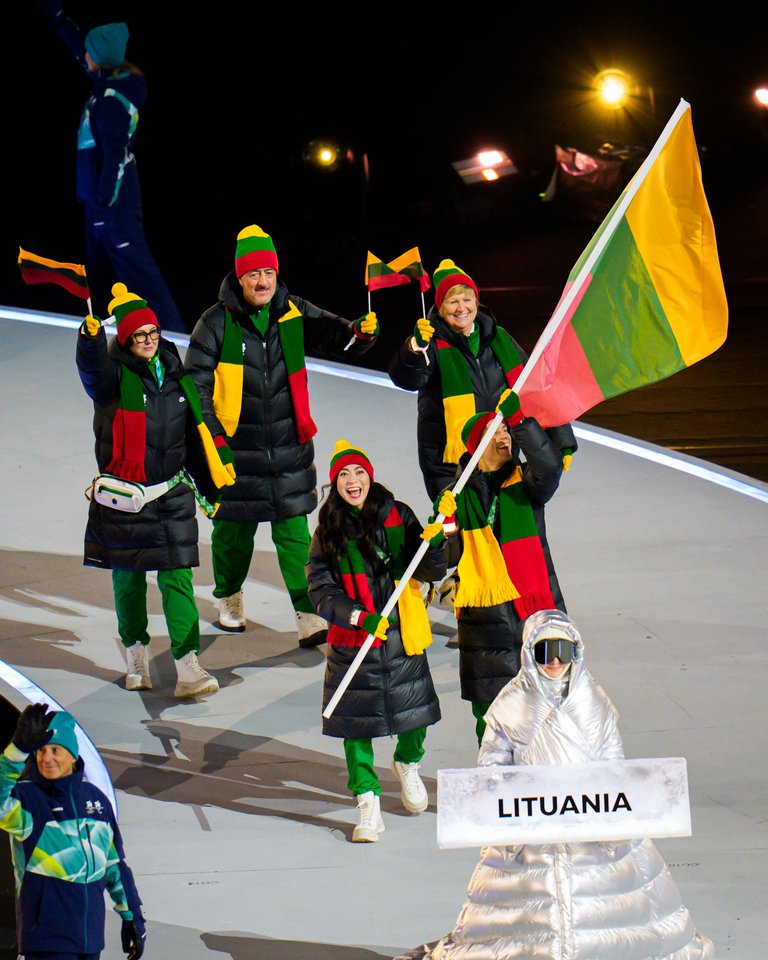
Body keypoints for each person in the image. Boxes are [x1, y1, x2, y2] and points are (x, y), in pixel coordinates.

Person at [396, 609, 715, 960]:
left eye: (564, 651)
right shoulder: (512, 703)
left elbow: (612, 760)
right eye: (545, 651)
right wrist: (509, 814)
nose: (554, 662)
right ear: (529, 653)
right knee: (527, 907)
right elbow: (492, 765)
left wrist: (611, 817)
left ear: (577, 652)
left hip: (589, 819)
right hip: (531, 824)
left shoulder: (593, 700)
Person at [185, 224, 379, 647]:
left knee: (294, 535)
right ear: (240, 277)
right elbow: (195, 384)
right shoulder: (215, 322)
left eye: (269, 273)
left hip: (289, 446)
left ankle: (307, 611)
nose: (263, 282)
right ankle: (229, 595)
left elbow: (334, 335)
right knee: (232, 535)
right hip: (236, 450)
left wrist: (359, 333)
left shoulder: (291, 310)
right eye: (254, 274)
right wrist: (213, 438)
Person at [77, 281, 236, 697]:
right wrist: (89, 341)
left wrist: (213, 482)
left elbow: (195, 433)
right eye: (138, 335)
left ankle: (187, 665)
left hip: (170, 494)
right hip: (125, 499)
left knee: (178, 579)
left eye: (152, 332)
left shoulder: (177, 375)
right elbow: (92, 371)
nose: (148, 340)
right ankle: (136, 655)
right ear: (124, 340)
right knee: (128, 583)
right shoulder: (113, 377)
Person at [306, 440, 449, 842]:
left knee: (416, 715)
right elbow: (319, 589)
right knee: (355, 728)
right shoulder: (327, 530)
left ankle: (407, 762)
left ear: (370, 477)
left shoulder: (397, 515)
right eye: (344, 475)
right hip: (353, 641)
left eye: (359, 473)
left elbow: (428, 570)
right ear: (334, 484)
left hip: (401, 633)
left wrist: (436, 542)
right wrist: (357, 617)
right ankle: (367, 799)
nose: (353, 481)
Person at [40, 3, 183, 328]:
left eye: (90, 53)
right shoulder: (107, 80)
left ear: (101, 59)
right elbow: (83, 50)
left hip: (114, 202)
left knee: (138, 270)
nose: (84, 57)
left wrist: (105, 205)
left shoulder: (110, 98)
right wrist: (61, 21)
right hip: (98, 199)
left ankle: (176, 335)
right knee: (99, 272)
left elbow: (115, 155)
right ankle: (108, 331)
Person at [388, 258, 577, 501]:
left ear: (476, 302)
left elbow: (536, 386)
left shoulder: (499, 338)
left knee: (501, 519)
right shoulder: (431, 344)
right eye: (452, 301)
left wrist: (562, 440)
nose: (461, 308)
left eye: (467, 300)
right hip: (450, 464)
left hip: (501, 454)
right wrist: (414, 348)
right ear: (441, 307)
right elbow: (406, 379)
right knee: (461, 523)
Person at [445, 395, 568, 744]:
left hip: (537, 612)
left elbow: (550, 467)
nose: (504, 437)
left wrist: (521, 423)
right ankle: (494, 775)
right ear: (475, 446)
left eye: (506, 431)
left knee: (548, 712)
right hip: (485, 624)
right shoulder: (456, 497)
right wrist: (442, 530)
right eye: (494, 432)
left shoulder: (527, 482)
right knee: (492, 719)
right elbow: (444, 560)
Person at [0, 703, 146, 959]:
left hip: (90, 941)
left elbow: (113, 866)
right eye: (41, 750)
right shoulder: (27, 800)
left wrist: (133, 917)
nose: (47, 758)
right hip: (45, 942)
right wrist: (17, 752)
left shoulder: (96, 801)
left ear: (72, 755)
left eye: (55, 750)